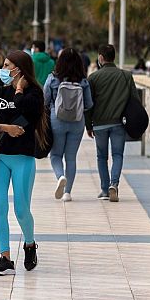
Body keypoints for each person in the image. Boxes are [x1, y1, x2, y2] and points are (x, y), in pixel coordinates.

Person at [0, 50, 46, 276]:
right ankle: (5, 258)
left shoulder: (35, 94)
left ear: (20, 69)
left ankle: (30, 244)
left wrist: (19, 90)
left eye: (8, 65)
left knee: (21, 209)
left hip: (22, 159)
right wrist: (4, 127)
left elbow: (26, 117)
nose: (3, 69)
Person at [85, 44, 139, 202]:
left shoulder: (93, 78)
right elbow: (135, 100)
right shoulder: (126, 76)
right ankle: (114, 184)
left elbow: (88, 105)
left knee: (102, 157)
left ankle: (104, 189)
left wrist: (88, 125)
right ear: (114, 57)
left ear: (100, 57)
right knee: (117, 155)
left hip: (99, 124)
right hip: (118, 123)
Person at [43, 48, 93, 202]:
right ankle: (67, 193)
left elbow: (45, 100)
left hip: (57, 120)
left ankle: (60, 177)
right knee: (71, 158)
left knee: (56, 155)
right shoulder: (83, 82)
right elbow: (89, 104)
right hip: (77, 122)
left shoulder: (53, 79)